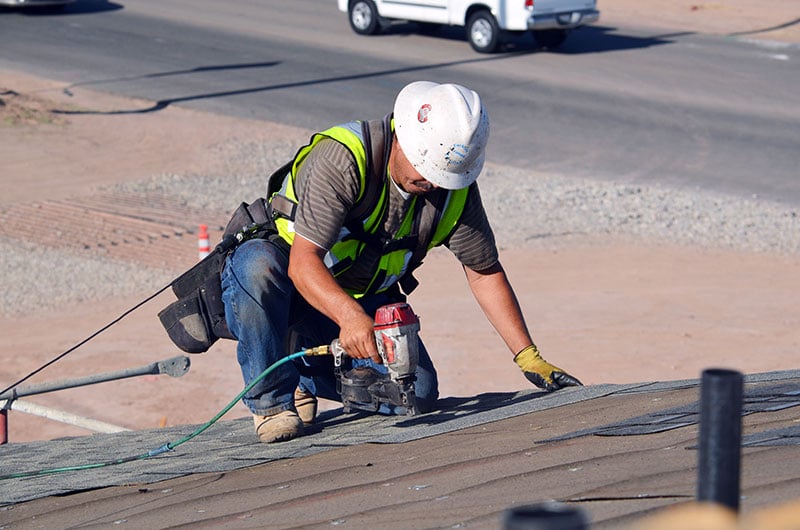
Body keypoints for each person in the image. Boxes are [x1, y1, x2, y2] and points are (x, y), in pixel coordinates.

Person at [220, 80, 582, 443]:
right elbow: (303, 263)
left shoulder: (451, 190)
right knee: (256, 266)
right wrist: (349, 318)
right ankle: (270, 401)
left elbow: (484, 272)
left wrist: (528, 357)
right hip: (289, 278)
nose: (432, 182)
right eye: (426, 166)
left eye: (442, 175)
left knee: (417, 393)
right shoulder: (344, 159)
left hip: (360, 293)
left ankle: (299, 368)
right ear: (401, 134)